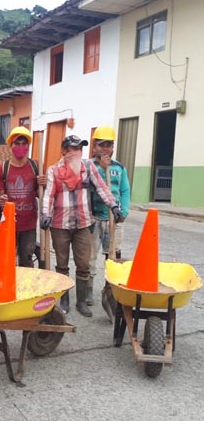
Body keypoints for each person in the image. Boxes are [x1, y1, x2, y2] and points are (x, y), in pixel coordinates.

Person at [41, 135, 122, 317]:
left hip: (83, 223)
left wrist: (113, 205)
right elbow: (49, 195)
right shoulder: (54, 170)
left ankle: (81, 302)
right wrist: (45, 214)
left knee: (84, 263)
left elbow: (101, 187)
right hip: (60, 224)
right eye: (72, 148)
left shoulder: (88, 167)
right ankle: (64, 300)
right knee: (61, 264)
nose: (76, 152)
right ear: (64, 151)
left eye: (79, 148)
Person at [88, 125, 130, 320]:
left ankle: (110, 291)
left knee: (113, 257)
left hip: (115, 219)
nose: (105, 149)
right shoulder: (89, 166)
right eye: (101, 144)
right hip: (94, 218)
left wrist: (125, 211)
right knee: (89, 258)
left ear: (113, 147)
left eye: (109, 145)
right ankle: (87, 290)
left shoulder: (119, 167)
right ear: (94, 146)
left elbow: (124, 191)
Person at [0, 126, 46, 267]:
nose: (21, 147)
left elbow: (39, 194)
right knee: (6, 259)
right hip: (8, 222)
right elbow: (0, 196)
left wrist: (44, 184)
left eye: (24, 144)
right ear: (11, 145)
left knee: (26, 258)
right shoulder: (2, 168)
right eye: (17, 143)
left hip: (28, 222)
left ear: (28, 146)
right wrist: (1, 198)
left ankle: (26, 288)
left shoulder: (36, 165)